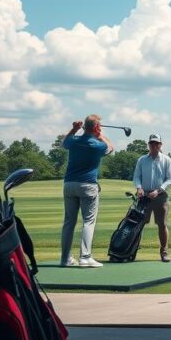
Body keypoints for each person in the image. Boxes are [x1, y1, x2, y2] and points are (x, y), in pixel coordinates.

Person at [61, 115, 114, 268]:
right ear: (96, 128)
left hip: (69, 184)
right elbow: (110, 147)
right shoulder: (97, 145)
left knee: (69, 222)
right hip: (88, 186)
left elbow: (64, 143)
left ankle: (65, 259)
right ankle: (85, 257)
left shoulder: (74, 141)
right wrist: (100, 134)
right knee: (88, 221)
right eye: (100, 126)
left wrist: (74, 129)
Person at [132, 133, 171, 262]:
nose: (154, 145)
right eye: (152, 143)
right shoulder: (142, 160)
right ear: (148, 144)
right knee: (139, 224)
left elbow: (170, 179)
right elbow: (136, 176)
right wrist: (139, 187)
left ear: (160, 145)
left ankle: (164, 252)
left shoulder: (166, 160)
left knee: (162, 224)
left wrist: (159, 190)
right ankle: (131, 249)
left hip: (160, 196)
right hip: (144, 195)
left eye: (156, 143)